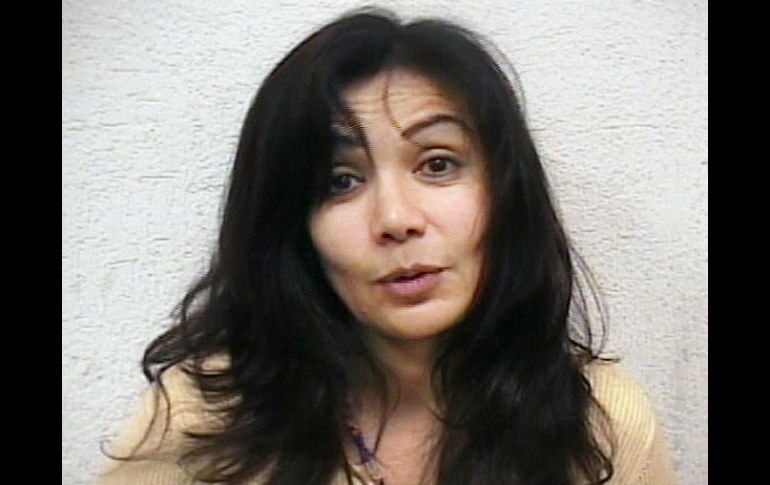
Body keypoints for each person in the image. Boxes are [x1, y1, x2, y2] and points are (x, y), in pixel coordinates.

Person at [98, 7, 677, 485]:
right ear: (292, 226)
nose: (396, 219)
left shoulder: (604, 422)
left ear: (504, 193)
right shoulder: (200, 422)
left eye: (438, 164)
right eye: (340, 181)